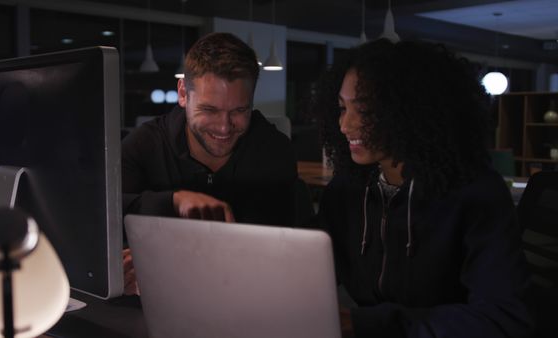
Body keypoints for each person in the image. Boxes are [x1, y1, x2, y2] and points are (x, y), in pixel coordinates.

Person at [315, 39, 533, 337]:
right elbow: (314, 271)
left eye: (364, 110)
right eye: (342, 108)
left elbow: (503, 319)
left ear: (411, 111)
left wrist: (372, 324)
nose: (345, 125)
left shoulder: (475, 194)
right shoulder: (347, 191)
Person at [121, 32, 297, 294]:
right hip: (156, 299)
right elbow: (106, 212)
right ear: (183, 94)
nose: (224, 127)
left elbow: (287, 250)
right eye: (210, 110)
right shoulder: (143, 144)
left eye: (239, 111)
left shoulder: (274, 149)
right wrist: (173, 201)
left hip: (246, 297)